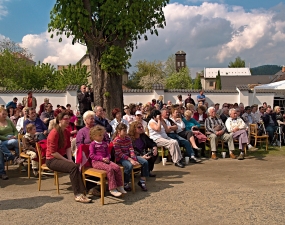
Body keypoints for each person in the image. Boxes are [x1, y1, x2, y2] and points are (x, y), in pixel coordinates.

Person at [46, 112, 91, 203]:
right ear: (59, 120)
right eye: (65, 119)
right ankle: (77, 194)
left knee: (78, 164)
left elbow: (68, 147)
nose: (68, 121)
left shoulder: (66, 131)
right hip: (52, 159)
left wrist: (70, 159)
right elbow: (53, 152)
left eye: (68, 119)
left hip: (61, 156)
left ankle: (85, 190)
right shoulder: (54, 133)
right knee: (73, 167)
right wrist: (67, 160)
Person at [89, 125, 126, 197]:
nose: (101, 137)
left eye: (102, 135)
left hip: (105, 160)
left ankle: (119, 185)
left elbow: (108, 154)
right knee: (109, 169)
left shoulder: (104, 144)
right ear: (94, 136)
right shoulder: (93, 144)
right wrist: (101, 159)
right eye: (99, 135)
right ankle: (112, 188)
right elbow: (92, 155)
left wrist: (107, 158)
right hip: (96, 162)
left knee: (117, 167)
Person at [113, 123, 149, 191]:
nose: (126, 132)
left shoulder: (128, 138)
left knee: (145, 162)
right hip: (121, 158)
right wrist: (130, 160)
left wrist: (134, 159)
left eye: (126, 130)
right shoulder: (116, 141)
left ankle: (142, 181)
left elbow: (131, 149)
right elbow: (119, 154)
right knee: (129, 166)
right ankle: (125, 183)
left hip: (129, 156)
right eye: (124, 131)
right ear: (119, 131)